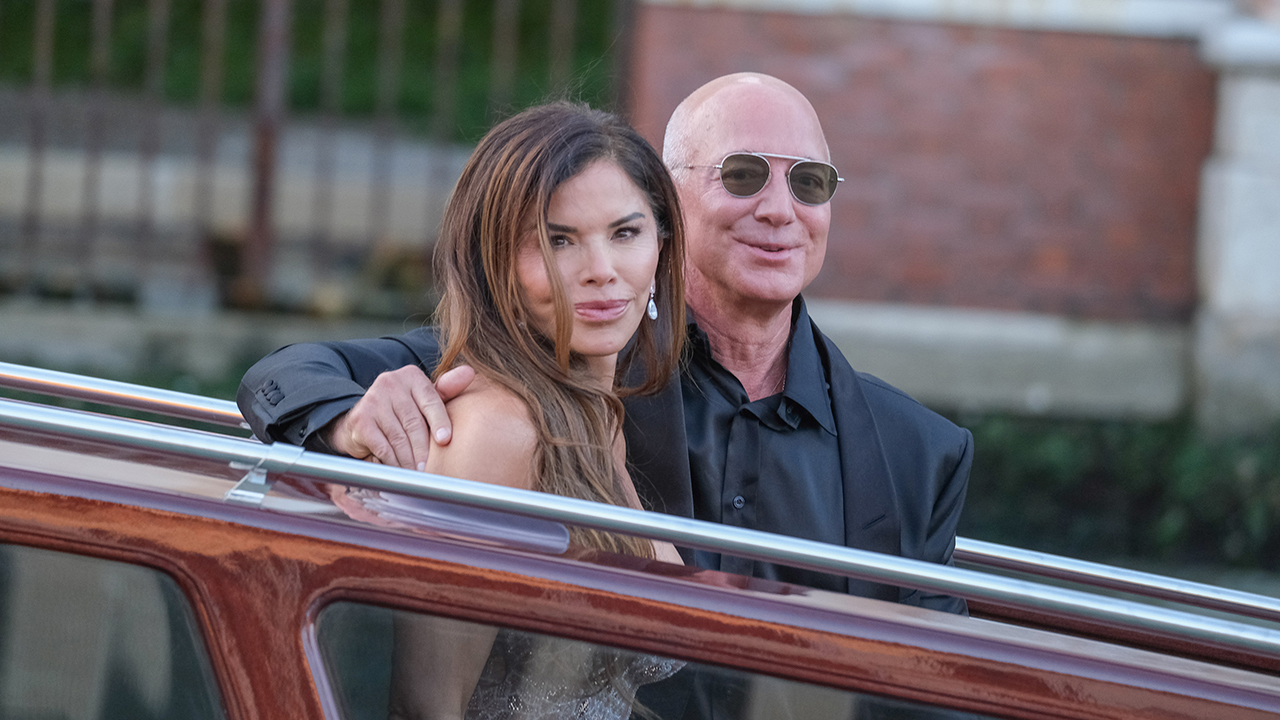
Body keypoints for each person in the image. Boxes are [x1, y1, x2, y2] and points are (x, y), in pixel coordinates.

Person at [238, 74, 972, 612]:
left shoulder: (923, 453)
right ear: (667, 202)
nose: (780, 210)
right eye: (744, 176)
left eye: (809, 184)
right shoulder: (567, 348)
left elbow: (928, 685)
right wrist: (347, 418)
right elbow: (289, 372)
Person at [316, 101, 686, 719]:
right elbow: (424, 708)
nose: (601, 271)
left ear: (661, 245)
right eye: (557, 241)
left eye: (625, 233)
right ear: (495, 266)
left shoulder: (598, 416)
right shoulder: (498, 429)